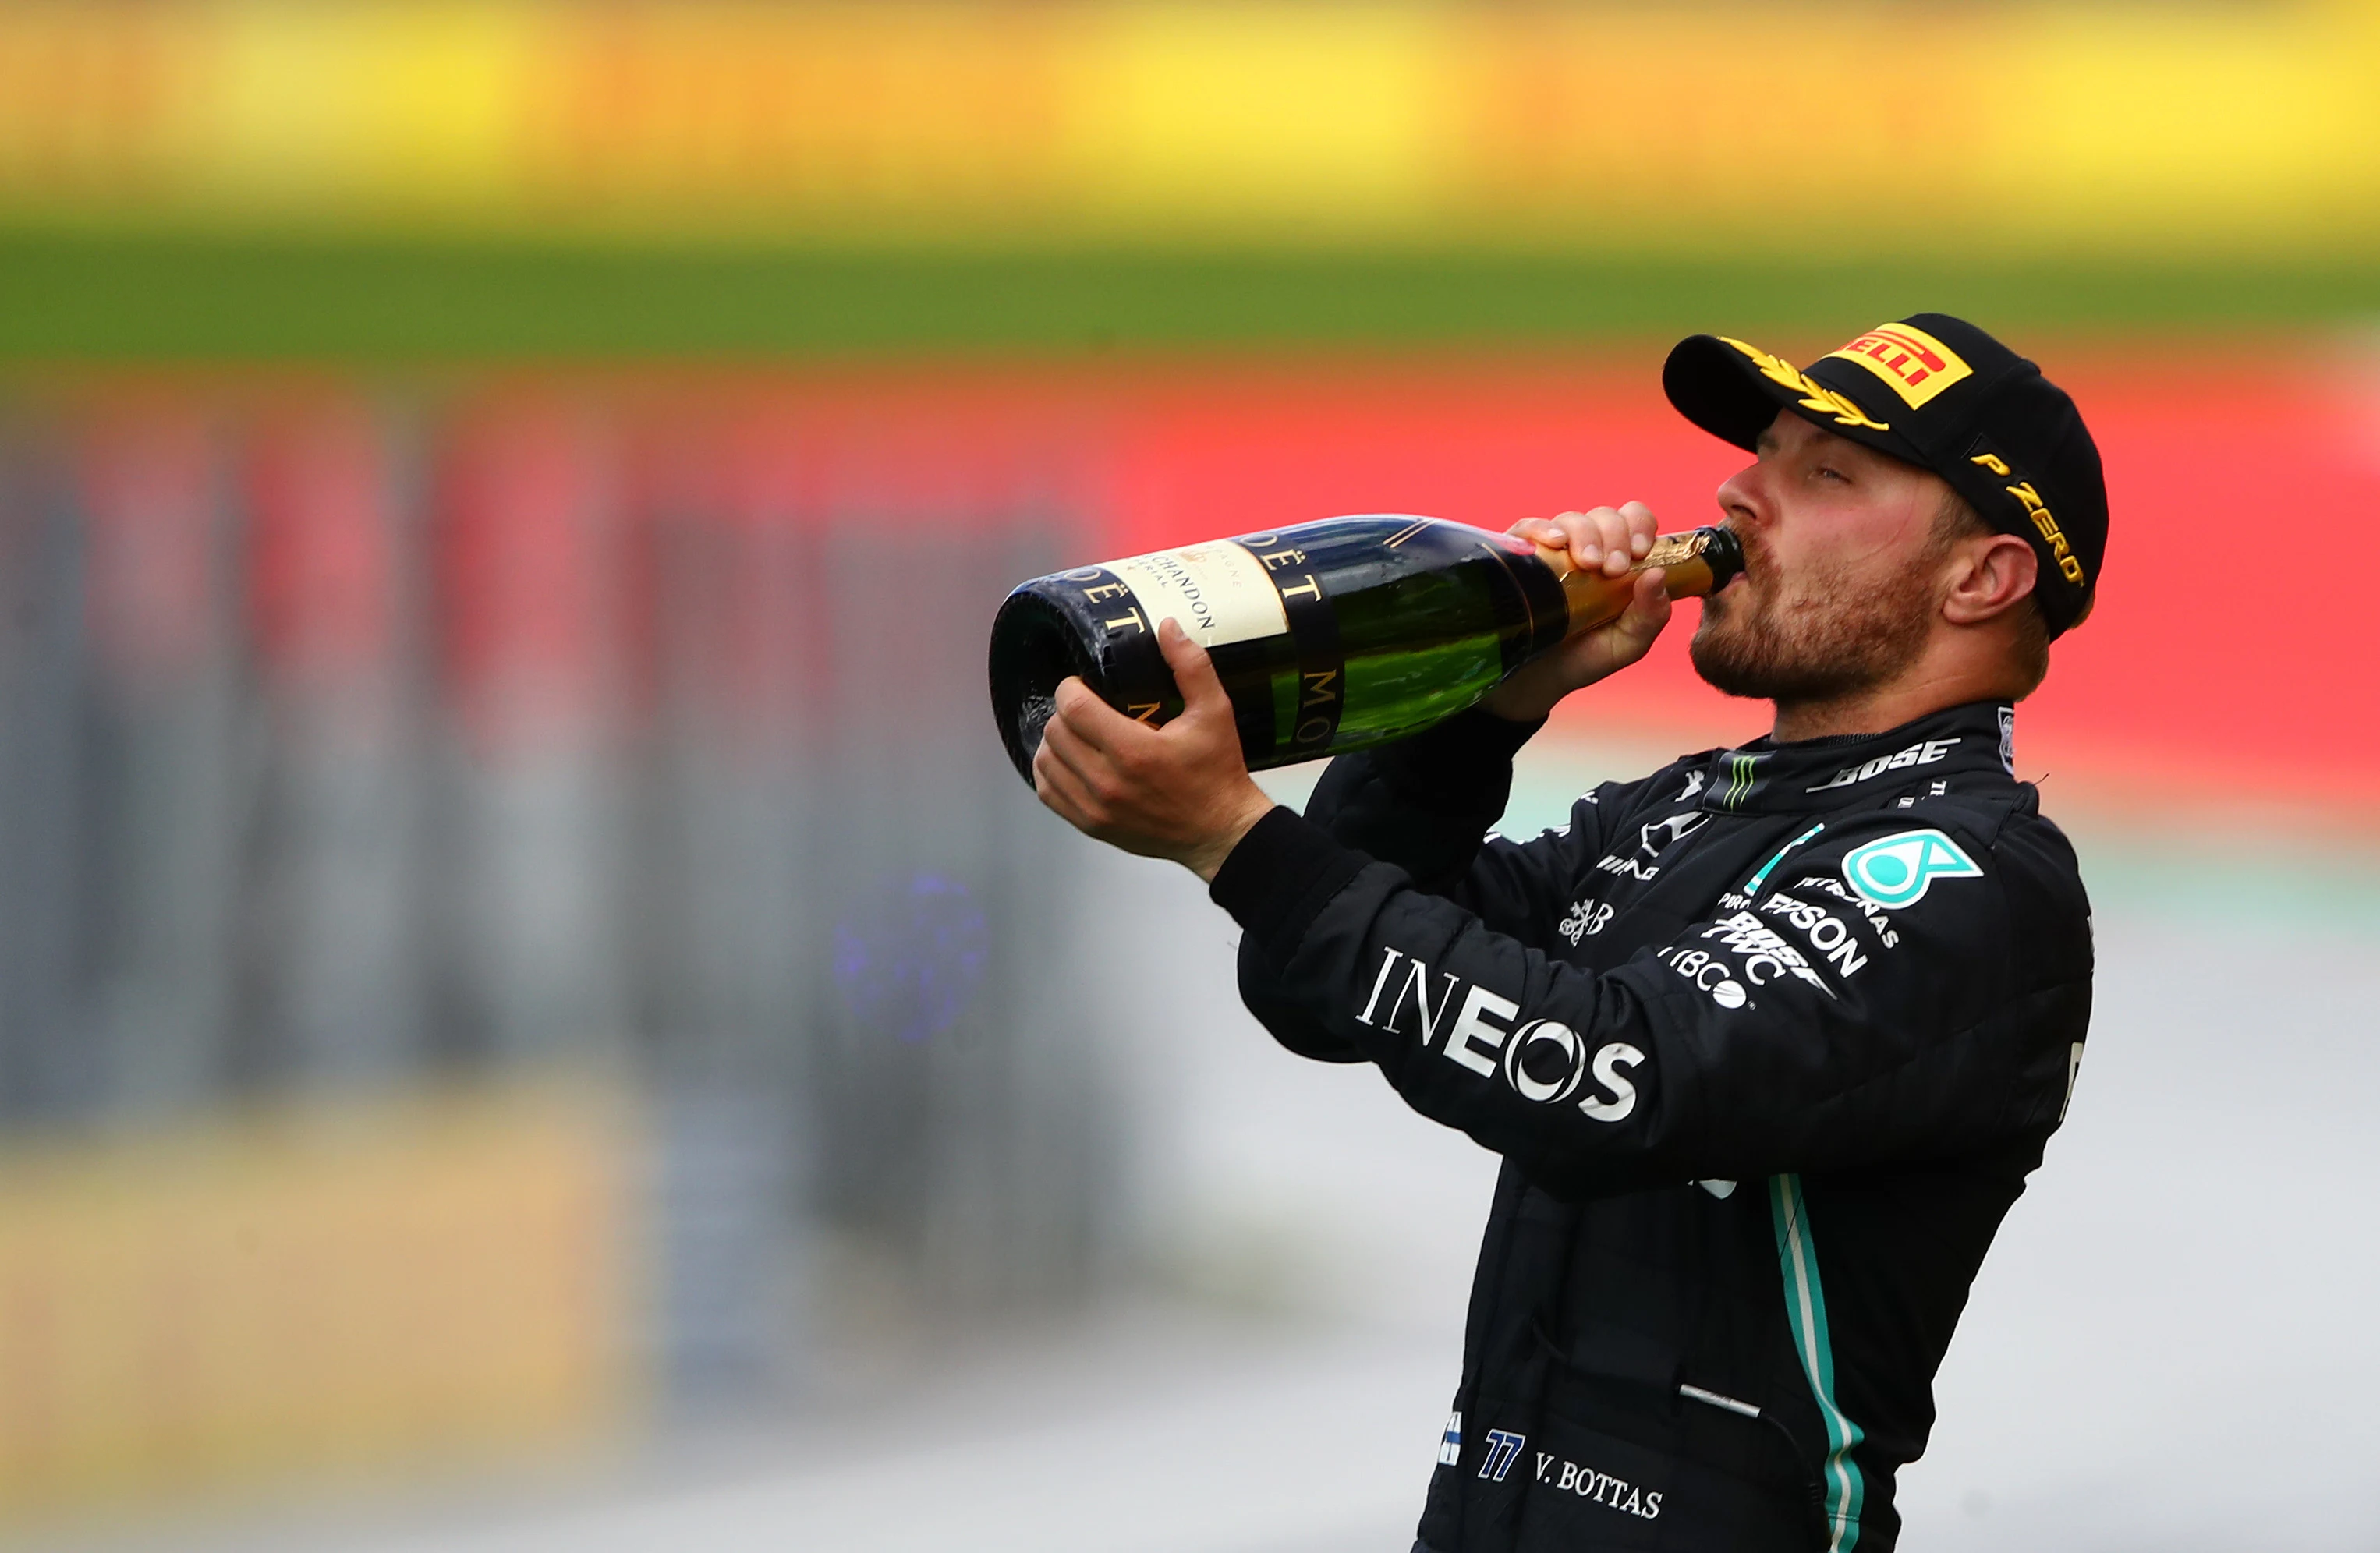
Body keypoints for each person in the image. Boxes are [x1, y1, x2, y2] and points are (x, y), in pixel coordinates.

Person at [1028, 313, 2105, 1552]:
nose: (1739, 494)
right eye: (1759, 454)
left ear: (1981, 579)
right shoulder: (1681, 809)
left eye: (1825, 475)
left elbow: (1613, 1082)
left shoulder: (1974, 878)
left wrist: (1236, 835)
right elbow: (1310, 990)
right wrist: (1480, 709)